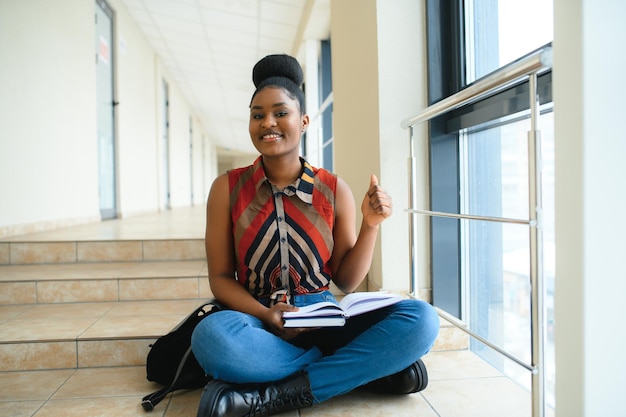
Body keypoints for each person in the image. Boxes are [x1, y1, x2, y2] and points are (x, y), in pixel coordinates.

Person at [191, 54, 440, 417]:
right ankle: (359, 369)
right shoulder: (227, 189)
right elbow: (219, 279)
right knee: (212, 338)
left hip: (323, 316)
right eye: (257, 114)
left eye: (280, 112)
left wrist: (370, 225)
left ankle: (279, 393)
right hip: (259, 317)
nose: (268, 123)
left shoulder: (333, 189)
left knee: (422, 320)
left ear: (304, 121)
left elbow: (347, 281)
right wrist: (265, 313)